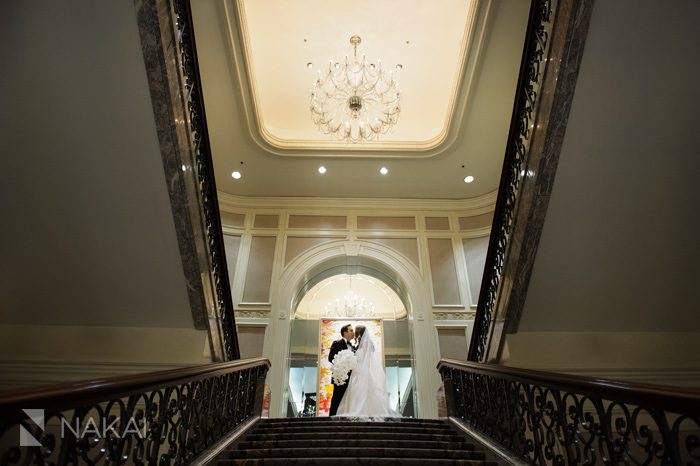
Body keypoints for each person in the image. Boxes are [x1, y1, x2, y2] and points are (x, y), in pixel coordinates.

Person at [336, 325, 399, 417]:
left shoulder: (366, 343)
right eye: (352, 330)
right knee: (358, 393)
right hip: (357, 372)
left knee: (364, 392)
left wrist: (355, 363)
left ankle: (365, 411)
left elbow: (364, 359)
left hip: (362, 372)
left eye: (355, 330)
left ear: (359, 332)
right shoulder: (359, 344)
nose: (354, 332)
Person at [328, 323, 355, 416]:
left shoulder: (353, 347)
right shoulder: (337, 343)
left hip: (351, 378)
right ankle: (331, 419)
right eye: (351, 330)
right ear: (345, 332)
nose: (353, 332)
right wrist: (343, 366)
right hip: (340, 376)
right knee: (337, 398)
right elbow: (331, 357)